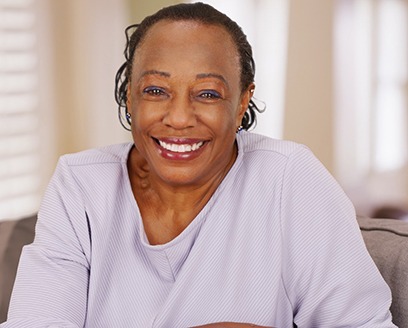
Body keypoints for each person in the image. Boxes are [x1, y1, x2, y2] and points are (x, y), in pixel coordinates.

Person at [1, 2, 396, 327]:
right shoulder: (80, 186)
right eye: (155, 90)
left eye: (207, 93)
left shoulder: (289, 178)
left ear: (242, 101)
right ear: (129, 98)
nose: (178, 117)